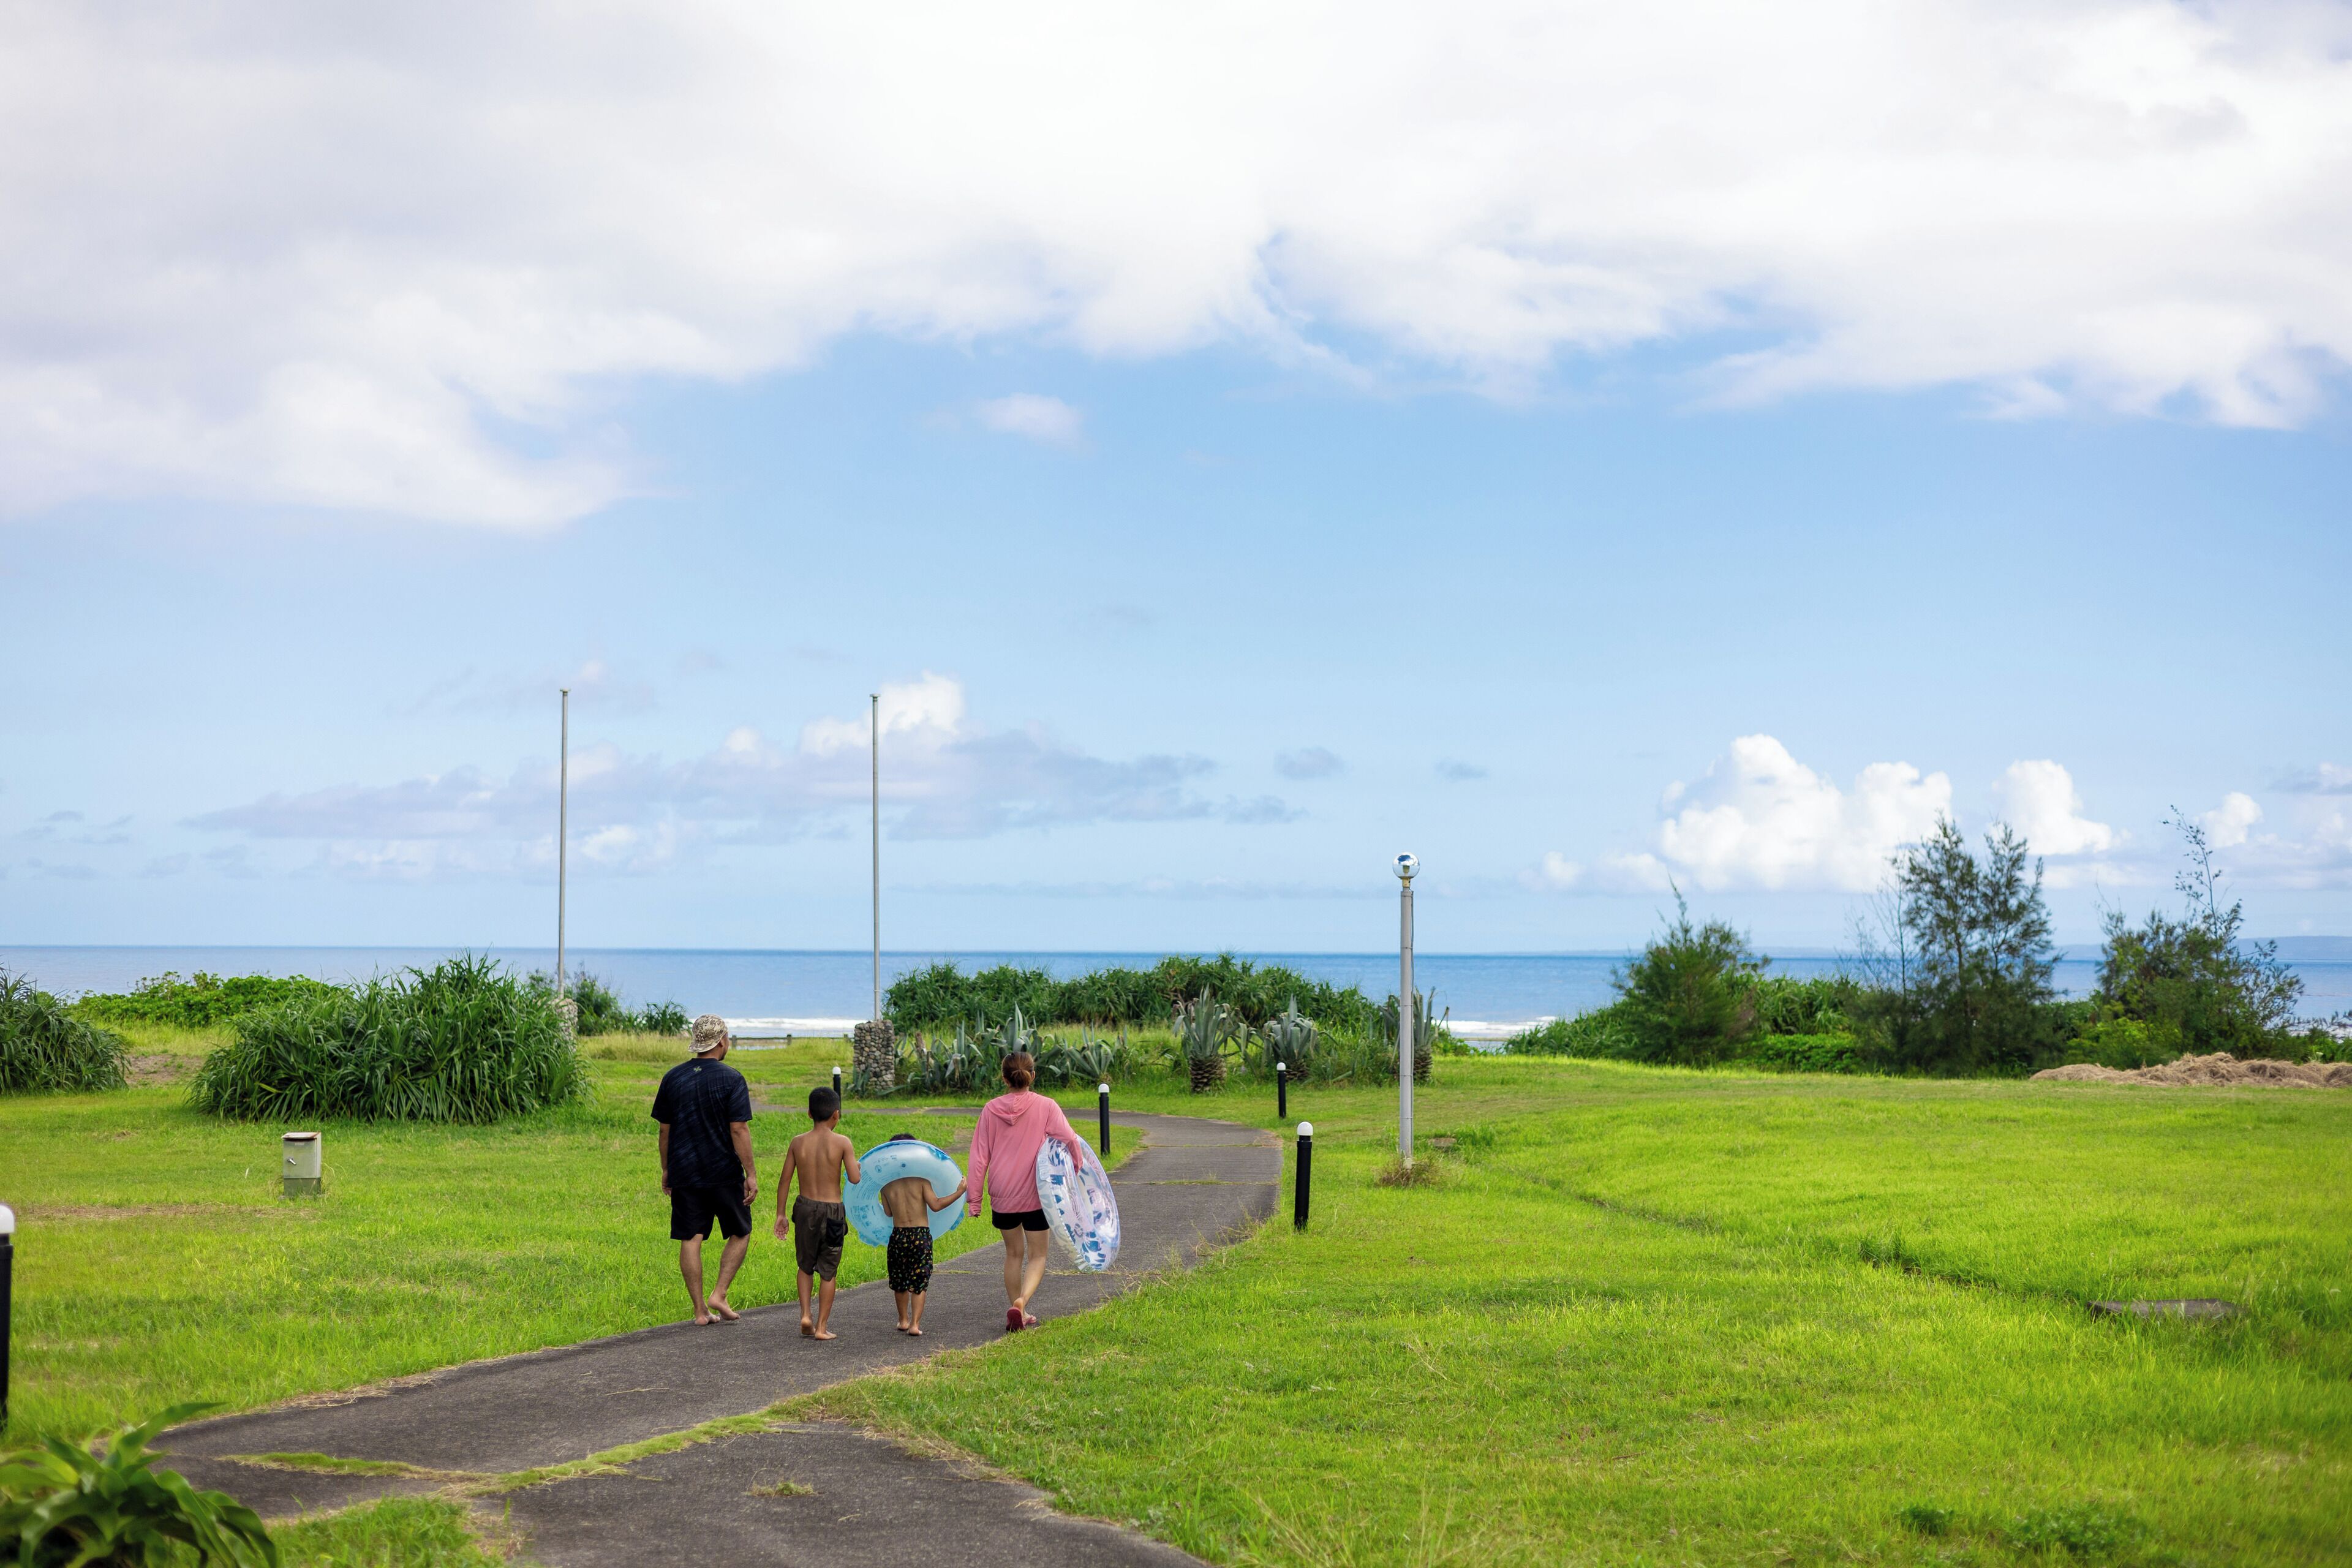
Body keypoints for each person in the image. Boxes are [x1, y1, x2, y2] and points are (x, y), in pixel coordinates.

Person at [966, 1051, 1086, 1332]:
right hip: (1036, 1193)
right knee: (1039, 1255)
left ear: (1004, 1078)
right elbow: (1069, 1138)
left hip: (1002, 1193)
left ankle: (1018, 1308)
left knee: (1013, 1254)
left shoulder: (989, 1109)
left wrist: (975, 1201)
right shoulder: (1046, 1106)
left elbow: (979, 1157)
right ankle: (1022, 1303)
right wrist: (1077, 1169)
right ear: (1032, 1076)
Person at [652, 1015, 755, 1327]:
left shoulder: (673, 1078)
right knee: (741, 1231)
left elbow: (664, 1132)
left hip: (685, 1172)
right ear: (722, 1041)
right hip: (724, 1171)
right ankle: (719, 1294)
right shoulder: (732, 1078)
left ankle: (700, 1311)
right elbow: (738, 1130)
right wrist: (750, 1172)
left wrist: (667, 1168)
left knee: (691, 1237)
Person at [778, 1085, 861, 1340]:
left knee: (805, 1264)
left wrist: (781, 1214)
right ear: (837, 1114)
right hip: (833, 1212)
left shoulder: (797, 1143)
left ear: (809, 1114)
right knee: (828, 1269)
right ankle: (822, 1328)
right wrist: (855, 1166)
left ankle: (805, 1315)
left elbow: (784, 1181)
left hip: (805, 1208)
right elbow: (855, 1179)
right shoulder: (842, 1142)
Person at [876, 1133, 967, 1335]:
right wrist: (959, 1192)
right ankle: (915, 1325)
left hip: (898, 1235)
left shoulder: (887, 1185)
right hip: (921, 1236)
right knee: (920, 1279)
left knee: (899, 1279)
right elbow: (935, 1205)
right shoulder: (921, 1180)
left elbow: (888, 1213)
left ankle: (903, 1320)